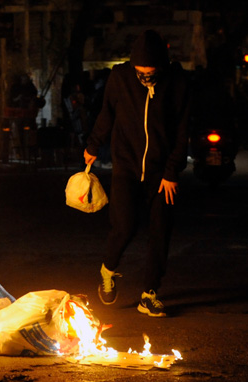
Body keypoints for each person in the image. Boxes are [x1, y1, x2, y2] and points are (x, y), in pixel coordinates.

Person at [83, 29, 192, 317]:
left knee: (160, 231)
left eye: (150, 72)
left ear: (161, 66)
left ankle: (149, 293)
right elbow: (107, 113)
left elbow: (182, 130)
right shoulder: (120, 78)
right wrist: (93, 145)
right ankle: (108, 269)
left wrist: (172, 171)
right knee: (124, 226)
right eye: (140, 72)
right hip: (126, 166)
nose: (144, 77)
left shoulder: (177, 83)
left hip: (162, 173)